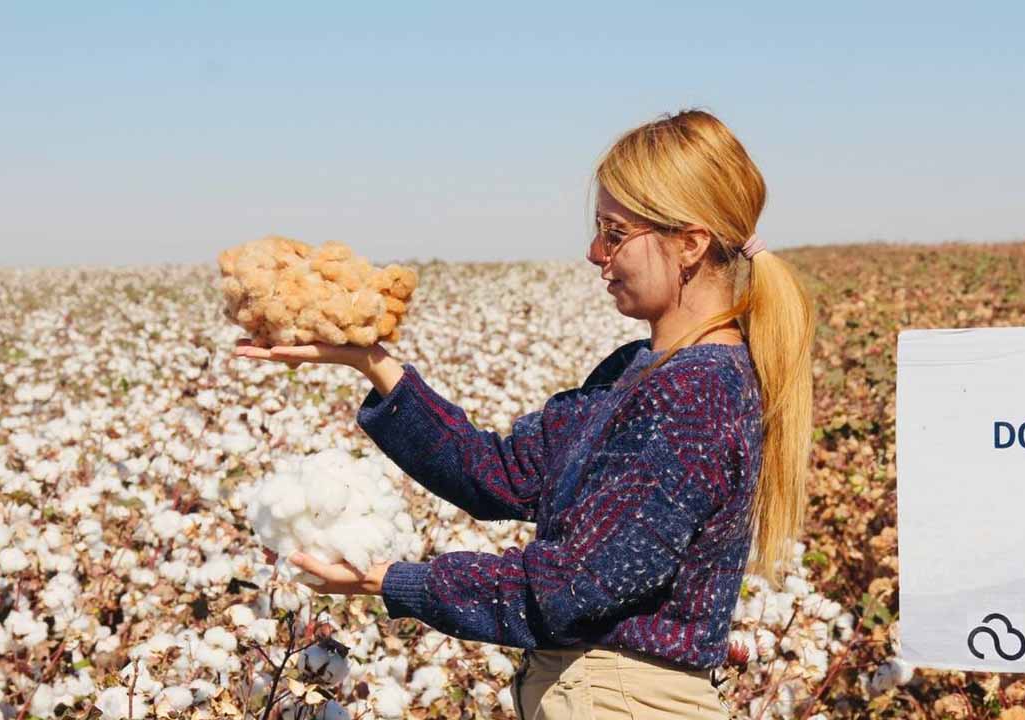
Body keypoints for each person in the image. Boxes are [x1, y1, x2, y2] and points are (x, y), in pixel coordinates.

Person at [234, 108, 816, 719]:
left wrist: (395, 581)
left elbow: (571, 587)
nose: (595, 253)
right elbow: (502, 476)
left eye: (615, 233)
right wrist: (372, 363)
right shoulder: (638, 370)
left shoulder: (693, 394)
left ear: (690, 244)